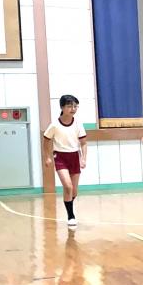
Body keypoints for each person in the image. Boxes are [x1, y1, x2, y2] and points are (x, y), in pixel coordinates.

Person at [43, 94, 87, 227]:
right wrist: (47, 156)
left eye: (75, 106)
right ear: (62, 107)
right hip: (60, 157)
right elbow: (46, 140)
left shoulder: (78, 124)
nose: (73, 109)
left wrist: (83, 158)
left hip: (74, 156)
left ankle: (69, 201)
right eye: (69, 106)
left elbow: (83, 143)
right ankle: (70, 215)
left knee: (73, 191)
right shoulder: (54, 125)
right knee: (67, 186)